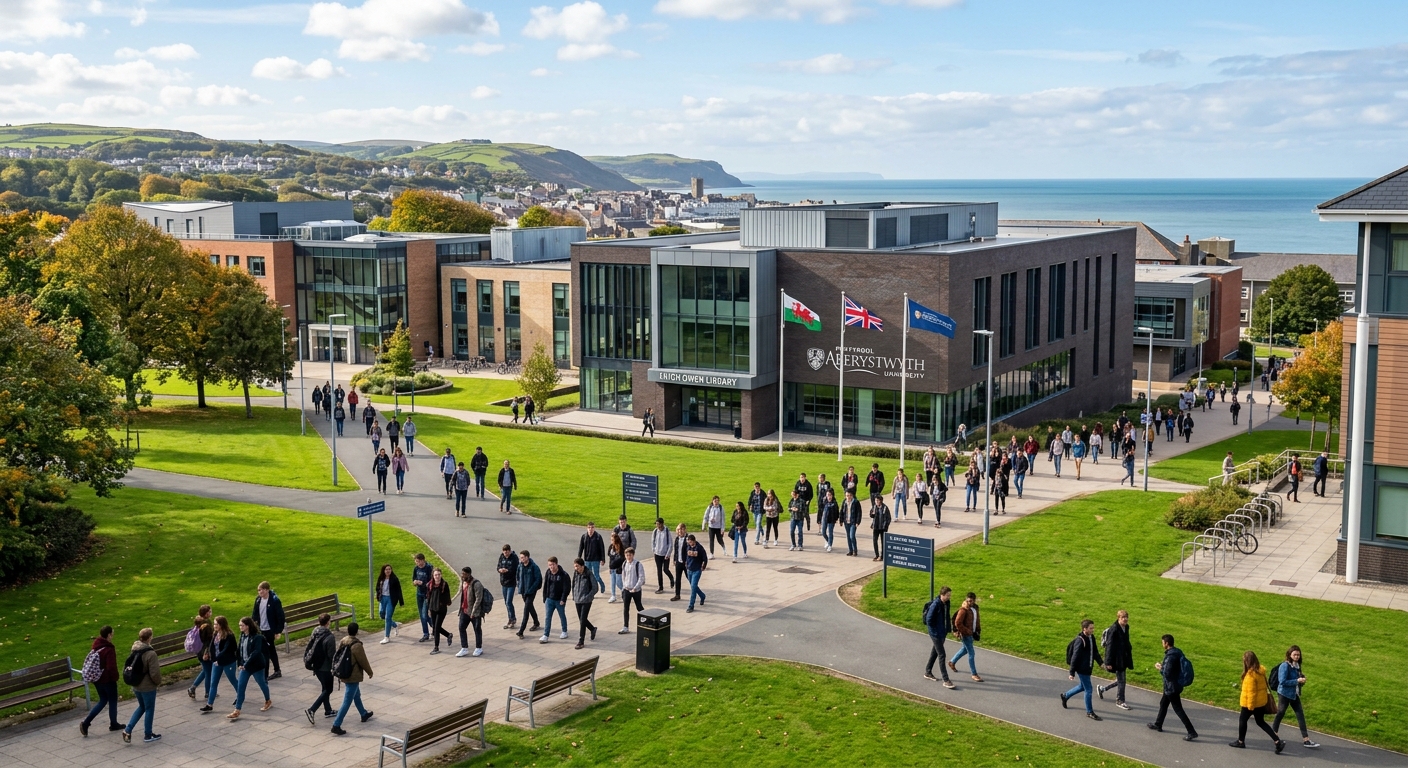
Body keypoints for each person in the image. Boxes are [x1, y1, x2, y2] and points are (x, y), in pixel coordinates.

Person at [1231, 650, 1284, 753]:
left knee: (1242, 720)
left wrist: (1250, 707)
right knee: (1261, 722)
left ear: (1247, 661)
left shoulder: (1250, 676)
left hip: (1250, 703)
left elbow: (1251, 693)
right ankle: (1277, 741)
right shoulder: (1260, 671)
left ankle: (1241, 741)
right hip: (1261, 702)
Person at [1148, 633, 1198, 740]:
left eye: (1162, 642)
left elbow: (1167, 673)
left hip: (1171, 687)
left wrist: (1159, 668)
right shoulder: (1178, 652)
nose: (1162, 644)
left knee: (1178, 709)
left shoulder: (1170, 656)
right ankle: (1158, 724)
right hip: (1175, 685)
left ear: (1166, 643)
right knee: (1163, 703)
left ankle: (1191, 731)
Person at [1271, 645, 1319, 749]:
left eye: (1298, 654)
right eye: (1295, 654)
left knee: (1300, 714)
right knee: (1280, 713)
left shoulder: (1297, 665)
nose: (1297, 656)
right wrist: (1297, 681)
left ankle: (1306, 739)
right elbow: (1282, 681)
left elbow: (1297, 681)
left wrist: (1302, 680)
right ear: (1289, 655)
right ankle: (1274, 734)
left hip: (1294, 694)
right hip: (1284, 693)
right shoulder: (1284, 666)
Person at [329, 622, 373, 735]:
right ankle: (336, 724)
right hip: (353, 675)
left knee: (356, 695)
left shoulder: (343, 640)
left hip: (345, 672)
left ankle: (363, 713)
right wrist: (369, 672)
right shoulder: (357, 645)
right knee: (347, 701)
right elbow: (363, 660)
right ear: (357, 631)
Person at [119, 628, 162, 743]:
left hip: (136, 684)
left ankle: (128, 730)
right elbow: (155, 673)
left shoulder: (135, 649)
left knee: (141, 707)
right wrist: (158, 682)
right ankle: (148, 734)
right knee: (149, 709)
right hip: (147, 686)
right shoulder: (150, 653)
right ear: (149, 638)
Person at [79, 625, 121, 736]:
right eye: (112, 633)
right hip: (107, 679)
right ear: (108, 635)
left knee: (102, 700)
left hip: (97, 679)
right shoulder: (108, 649)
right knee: (112, 701)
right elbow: (111, 667)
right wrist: (115, 677)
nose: (113, 635)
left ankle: (86, 723)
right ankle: (114, 724)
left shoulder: (97, 646)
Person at [1060, 619, 1104, 720]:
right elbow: (1075, 656)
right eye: (1091, 628)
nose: (1093, 630)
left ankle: (1065, 696)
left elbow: (1095, 652)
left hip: (1088, 667)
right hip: (1082, 669)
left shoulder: (1091, 637)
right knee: (1089, 689)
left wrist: (1101, 663)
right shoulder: (1080, 641)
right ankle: (1089, 712)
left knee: (1082, 686)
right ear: (1085, 629)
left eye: (1093, 628)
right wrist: (1072, 672)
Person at [228, 617, 270, 720]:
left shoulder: (257, 638)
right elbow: (239, 651)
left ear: (248, 626)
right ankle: (237, 710)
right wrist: (240, 663)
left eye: (242, 625)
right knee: (241, 687)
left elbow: (256, 652)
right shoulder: (242, 636)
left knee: (261, 683)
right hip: (245, 667)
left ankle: (268, 700)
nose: (240, 627)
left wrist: (245, 664)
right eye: (239, 625)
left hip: (256, 666)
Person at [303, 613, 337, 724]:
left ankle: (328, 710)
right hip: (325, 667)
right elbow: (331, 655)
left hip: (316, 666)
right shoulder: (330, 637)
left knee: (324, 688)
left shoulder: (315, 631)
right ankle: (312, 709)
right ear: (328, 622)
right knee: (329, 689)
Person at [201, 616, 238, 713]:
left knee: (233, 680)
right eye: (214, 624)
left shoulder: (229, 635)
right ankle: (209, 704)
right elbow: (212, 646)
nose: (214, 626)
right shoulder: (215, 634)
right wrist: (208, 653)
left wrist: (219, 659)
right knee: (213, 683)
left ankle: (240, 695)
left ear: (222, 625)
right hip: (216, 662)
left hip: (228, 662)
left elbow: (227, 649)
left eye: (216, 624)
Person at [1097, 610, 1133, 710]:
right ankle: (1120, 700)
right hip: (1117, 659)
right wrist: (1108, 662)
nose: (1125, 619)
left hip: (1123, 658)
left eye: (1126, 617)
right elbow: (1110, 646)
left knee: (1120, 680)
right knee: (1122, 681)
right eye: (1123, 617)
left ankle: (1102, 689)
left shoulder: (1126, 627)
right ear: (1118, 618)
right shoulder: (1114, 629)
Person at [922, 587, 957, 689]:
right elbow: (929, 620)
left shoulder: (947, 603)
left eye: (950, 595)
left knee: (935, 652)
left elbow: (947, 616)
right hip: (936, 634)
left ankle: (928, 672)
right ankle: (946, 680)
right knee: (942, 655)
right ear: (942, 594)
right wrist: (936, 632)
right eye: (948, 595)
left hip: (942, 633)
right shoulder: (935, 605)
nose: (949, 597)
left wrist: (948, 629)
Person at [253, 581, 285, 679]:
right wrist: (254, 625)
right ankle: (264, 669)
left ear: (267, 590)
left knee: (270, 650)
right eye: (258, 590)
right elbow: (255, 614)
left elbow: (280, 616)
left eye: (261, 590)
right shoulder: (258, 600)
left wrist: (278, 631)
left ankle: (277, 670)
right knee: (262, 649)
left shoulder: (274, 600)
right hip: (261, 629)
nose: (259, 592)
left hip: (270, 629)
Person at [948, 592, 982, 682]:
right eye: (968, 601)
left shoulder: (975, 608)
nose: (969, 602)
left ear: (974, 600)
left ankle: (952, 662)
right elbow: (957, 623)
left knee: (964, 649)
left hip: (972, 633)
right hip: (966, 635)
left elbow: (977, 620)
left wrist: (978, 630)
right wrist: (967, 631)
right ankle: (974, 674)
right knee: (971, 653)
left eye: (971, 601)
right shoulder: (963, 610)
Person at [455, 566, 485, 657]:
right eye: (462, 573)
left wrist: (473, 611)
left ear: (469, 574)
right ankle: (464, 648)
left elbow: (479, 598)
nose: (462, 575)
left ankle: (479, 648)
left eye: (464, 574)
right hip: (464, 611)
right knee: (461, 628)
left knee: (477, 629)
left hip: (475, 612)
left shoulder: (476, 584)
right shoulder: (463, 582)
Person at [185, 607, 213, 700]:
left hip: (199, 651)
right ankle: (208, 692)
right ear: (206, 614)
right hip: (205, 652)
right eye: (209, 611)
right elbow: (208, 640)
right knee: (208, 672)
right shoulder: (206, 625)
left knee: (205, 670)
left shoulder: (198, 623)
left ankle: (193, 688)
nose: (211, 613)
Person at [541, 557, 571, 643]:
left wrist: (563, 599)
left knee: (562, 615)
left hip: (559, 600)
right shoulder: (548, 572)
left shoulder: (563, 575)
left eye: (553, 565)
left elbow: (567, 588)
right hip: (549, 599)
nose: (551, 567)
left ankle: (564, 631)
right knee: (547, 617)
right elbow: (546, 585)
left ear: (556, 564)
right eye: (550, 565)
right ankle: (546, 635)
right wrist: (545, 597)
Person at [571, 559, 598, 649]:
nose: (576, 568)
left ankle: (581, 641)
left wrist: (588, 597)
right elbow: (573, 584)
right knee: (582, 619)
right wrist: (574, 595)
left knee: (582, 620)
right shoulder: (575, 573)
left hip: (586, 601)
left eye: (577, 566)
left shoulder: (588, 574)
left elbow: (595, 588)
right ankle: (592, 629)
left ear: (582, 566)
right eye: (575, 566)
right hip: (577, 600)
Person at [515, 550, 542, 638]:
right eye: (520, 557)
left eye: (522, 557)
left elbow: (538, 579)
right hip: (523, 591)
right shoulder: (520, 566)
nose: (521, 559)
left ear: (527, 557)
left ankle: (521, 631)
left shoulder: (534, 567)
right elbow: (517, 576)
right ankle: (536, 622)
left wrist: (532, 589)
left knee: (526, 610)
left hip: (531, 591)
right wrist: (519, 585)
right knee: (530, 607)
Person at [619, 547, 646, 634]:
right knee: (626, 608)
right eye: (627, 555)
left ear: (633, 555)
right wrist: (624, 587)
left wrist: (635, 587)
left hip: (636, 590)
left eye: (630, 555)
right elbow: (623, 576)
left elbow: (641, 578)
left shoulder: (638, 564)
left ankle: (646, 622)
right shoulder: (624, 564)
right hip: (627, 590)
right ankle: (625, 626)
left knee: (639, 607)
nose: (628, 557)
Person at [375, 564, 404, 643]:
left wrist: (401, 601)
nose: (388, 571)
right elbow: (377, 587)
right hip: (383, 598)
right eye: (386, 569)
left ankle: (386, 636)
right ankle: (395, 625)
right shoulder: (381, 578)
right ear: (383, 571)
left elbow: (399, 590)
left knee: (388, 617)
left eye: (389, 569)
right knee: (382, 614)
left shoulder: (394, 579)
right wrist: (377, 595)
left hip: (391, 599)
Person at [578, 522, 608, 595]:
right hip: (587, 560)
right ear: (587, 528)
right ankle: (590, 590)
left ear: (594, 528)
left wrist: (602, 559)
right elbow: (581, 547)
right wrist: (579, 557)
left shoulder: (598, 537)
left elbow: (601, 548)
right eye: (589, 527)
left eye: (592, 527)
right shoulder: (584, 537)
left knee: (596, 576)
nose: (590, 529)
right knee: (588, 576)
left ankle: (602, 585)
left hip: (595, 560)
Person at [495, 543, 520, 630]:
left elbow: (515, 569)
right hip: (503, 582)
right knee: (506, 602)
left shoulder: (514, 558)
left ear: (510, 551)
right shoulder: (501, 557)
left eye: (507, 552)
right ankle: (510, 619)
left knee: (509, 602)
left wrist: (507, 570)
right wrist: (500, 570)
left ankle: (513, 619)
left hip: (511, 583)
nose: (505, 554)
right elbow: (498, 566)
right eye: (504, 552)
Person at [683, 534, 708, 613]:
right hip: (689, 570)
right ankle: (702, 595)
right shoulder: (688, 546)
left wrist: (703, 566)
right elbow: (685, 555)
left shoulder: (699, 548)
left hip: (697, 570)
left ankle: (691, 605)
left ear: (694, 541)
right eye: (689, 542)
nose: (690, 544)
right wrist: (685, 563)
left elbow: (705, 558)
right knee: (693, 586)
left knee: (693, 587)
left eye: (691, 542)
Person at [411, 554, 433, 642]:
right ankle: (429, 631)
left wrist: (422, 583)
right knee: (422, 615)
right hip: (419, 593)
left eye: (419, 561)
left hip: (427, 594)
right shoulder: (416, 569)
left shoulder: (429, 568)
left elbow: (431, 582)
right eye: (416, 562)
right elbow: (413, 579)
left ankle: (428, 632)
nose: (418, 563)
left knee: (424, 614)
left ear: (423, 560)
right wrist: (415, 582)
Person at [652, 517, 677, 591]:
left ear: (662, 524)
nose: (658, 526)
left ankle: (671, 578)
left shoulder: (666, 531)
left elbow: (670, 543)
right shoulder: (655, 531)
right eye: (656, 524)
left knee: (665, 569)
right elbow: (653, 542)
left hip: (665, 554)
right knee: (659, 571)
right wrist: (654, 551)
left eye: (659, 524)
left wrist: (668, 554)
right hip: (657, 554)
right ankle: (660, 587)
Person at [670, 522, 689, 601]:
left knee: (690, 579)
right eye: (678, 529)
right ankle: (677, 595)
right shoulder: (677, 539)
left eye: (681, 529)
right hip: (678, 562)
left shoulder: (688, 539)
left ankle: (697, 592)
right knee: (677, 579)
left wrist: (688, 561)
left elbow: (689, 551)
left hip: (686, 563)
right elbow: (676, 550)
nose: (680, 531)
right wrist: (674, 559)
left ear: (685, 530)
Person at [841, 488, 862, 556]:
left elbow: (859, 513)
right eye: (847, 495)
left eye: (850, 495)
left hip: (853, 522)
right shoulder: (844, 502)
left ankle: (855, 550)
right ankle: (850, 550)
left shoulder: (856, 502)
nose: (848, 497)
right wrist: (841, 520)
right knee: (848, 536)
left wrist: (857, 522)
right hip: (846, 522)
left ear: (852, 495)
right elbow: (841, 511)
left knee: (852, 536)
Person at [607, 532, 625, 602]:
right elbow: (610, 558)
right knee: (612, 582)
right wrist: (610, 567)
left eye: (612, 540)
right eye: (611, 540)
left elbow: (623, 559)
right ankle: (613, 595)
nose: (611, 542)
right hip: (612, 568)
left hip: (619, 569)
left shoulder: (621, 549)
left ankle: (625, 591)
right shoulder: (611, 547)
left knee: (618, 582)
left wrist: (620, 568)